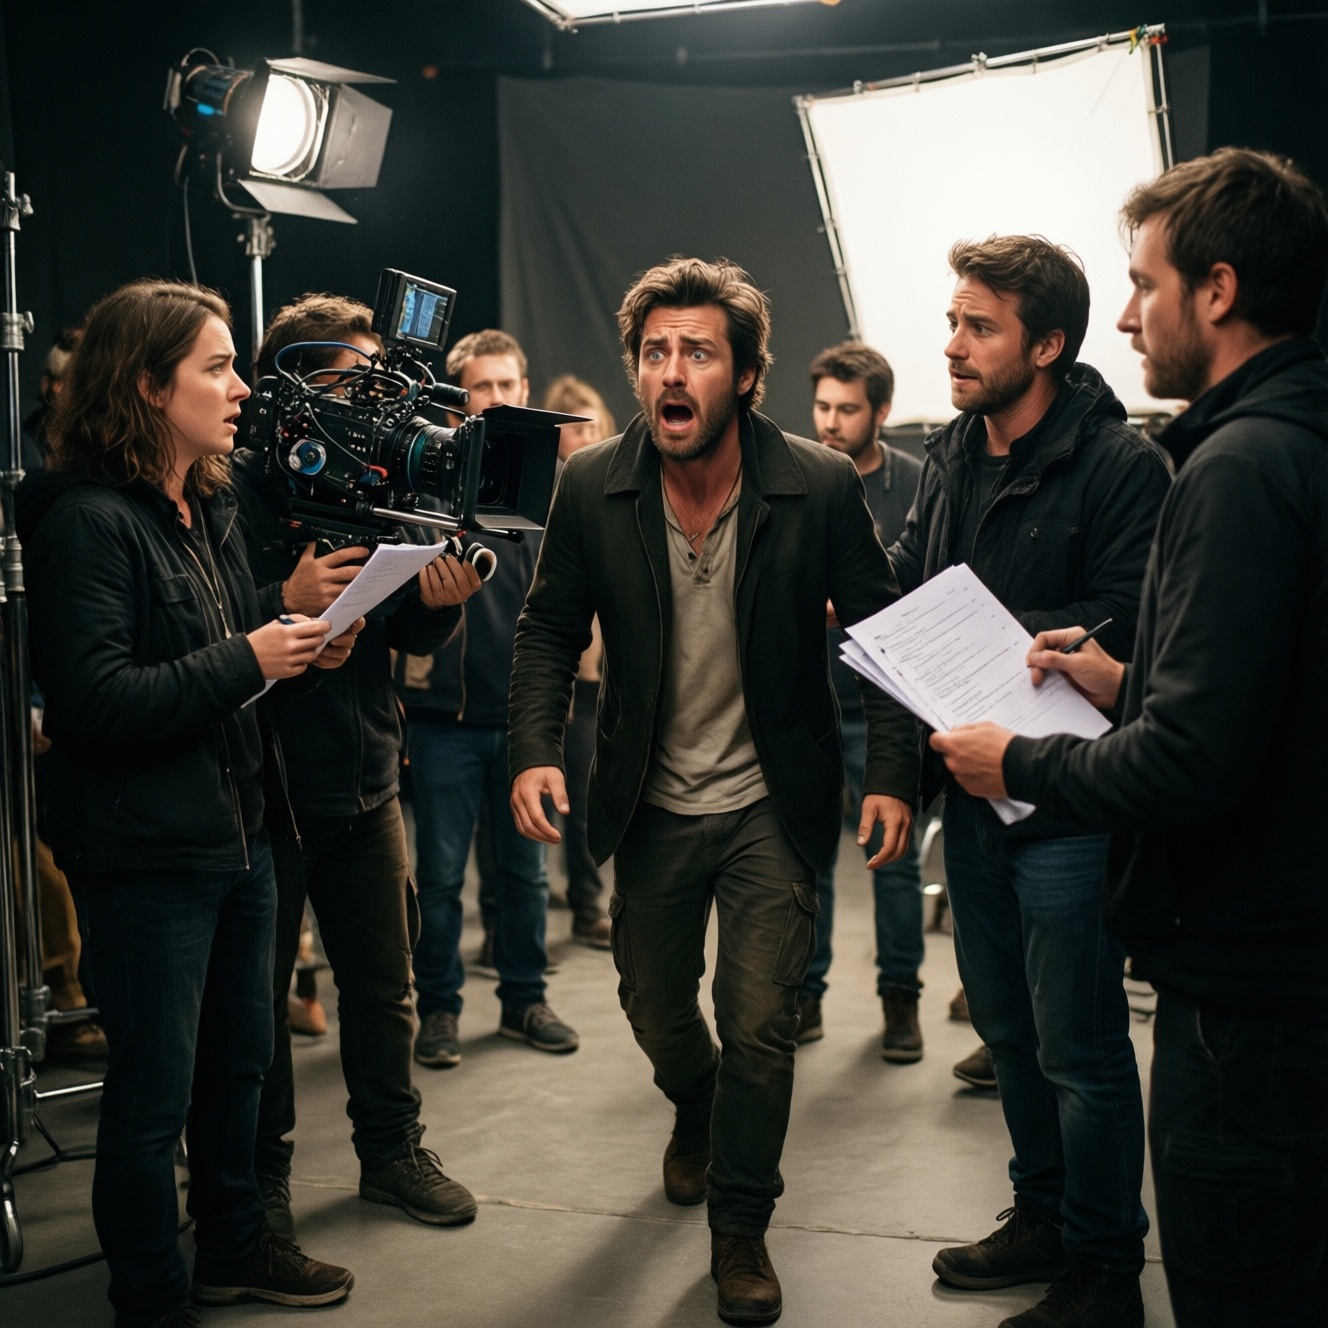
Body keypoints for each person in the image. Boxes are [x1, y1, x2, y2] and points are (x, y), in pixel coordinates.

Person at [930, 148, 1328, 1328]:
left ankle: (1101, 1264)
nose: (1126, 315)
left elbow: (1193, 753)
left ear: (1215, 289)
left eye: (1144, 284)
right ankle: (1046, 1215)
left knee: (1234, 1272)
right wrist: (1124, 674)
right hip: (1266, 940)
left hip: (1243, 959)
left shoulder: (1231, 464)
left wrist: (1022, 758)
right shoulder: (1283, 437)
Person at [508, 256, 919, 1326]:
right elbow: (547, 629)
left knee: (760, 1022)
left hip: (770, 801)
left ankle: (740, 1227)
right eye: (654, 352)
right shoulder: (591, 485)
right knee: (653, 1005)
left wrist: (890, 773)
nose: (670, 371)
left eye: (696, 351)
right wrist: (534, 749)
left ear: (743, 374)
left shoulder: (816, 483)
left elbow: (882, 636)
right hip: (648, 798)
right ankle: (695, 1101)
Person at [19, 279, 357, 1328]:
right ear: (146, 386)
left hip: (235, 833)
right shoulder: (85, 523)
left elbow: (204, 641)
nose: (242, 387)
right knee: (151, 1098)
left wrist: (288, 633)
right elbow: (94, 700)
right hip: (145, 856)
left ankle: (233, 1247)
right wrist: (251, 654)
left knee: (237, 1070)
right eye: (216, 368)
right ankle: (151, 1296)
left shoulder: (200, 505)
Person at [888, 236, 1171, 1327]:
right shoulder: (953, 451)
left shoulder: (1120, 464)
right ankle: (1042, 1214)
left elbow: (1135, 622)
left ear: (1046, 345)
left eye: (979, 327)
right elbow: (916, 577)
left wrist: (1003, 639)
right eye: (952, 322)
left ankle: (1104, 1267)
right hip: (973, 790)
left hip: (1066, 802)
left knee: (1079, 1047)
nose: (953, 346)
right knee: (1007, 1029)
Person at [232, 292, 483, 1239]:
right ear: (293, 389)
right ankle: (260, 1178)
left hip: (367, 773)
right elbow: (202, 627)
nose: (372, 409)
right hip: (264, 790)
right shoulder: (234, 492)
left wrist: (438, 604)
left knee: (384, 985)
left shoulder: (376, 483)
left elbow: (404, 628)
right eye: (350, 386)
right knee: (257, 1005)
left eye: (379, 389)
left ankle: (392, 1153)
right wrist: (284, 596)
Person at [399, 329, 579, 1067]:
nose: (499, 399)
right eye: (484, 387)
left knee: (526, 875)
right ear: (458, 398)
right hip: (441, 718)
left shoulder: (551, 482)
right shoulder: (427, 476)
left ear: (526, 391)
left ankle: (525, 1000)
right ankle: (438, 1011)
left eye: (509, 385)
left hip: (523, 719)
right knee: (440, 880)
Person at [799, 340, 926, 1059]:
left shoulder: (916, 483)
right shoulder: (796, 475)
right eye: (823, 406)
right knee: (808, 858)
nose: (831, 421)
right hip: (807, 701)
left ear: (880, 412)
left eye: (847, 409)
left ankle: (900, 999)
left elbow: (931, 581)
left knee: (894, 860)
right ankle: (806, 997)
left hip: (887, 702)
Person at [541, 373, 618, 948]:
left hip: (604, 675)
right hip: (565, 675)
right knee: (560, 796)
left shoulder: (618, 488)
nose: (588, 437)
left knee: (593, 796)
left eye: (594, 426)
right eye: (576, 429)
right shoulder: (549, 500)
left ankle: (590, 901)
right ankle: (570, 907)